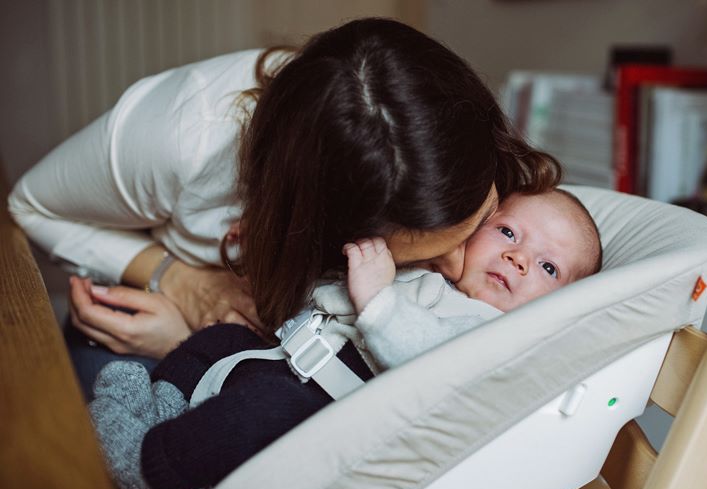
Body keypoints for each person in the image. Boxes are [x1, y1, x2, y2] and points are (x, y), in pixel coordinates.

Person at [7, 18, 560, 403]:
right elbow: (30, 207)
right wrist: (175, 279)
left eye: (486, 222)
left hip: (231, 352)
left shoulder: (484, 178)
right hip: (158, 319)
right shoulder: (181, 138)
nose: (460, 270)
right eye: (430, 257)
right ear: (327, 236)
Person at [89, 188, 602, 489]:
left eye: (548, 266)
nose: (518, 259)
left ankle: (147, 464)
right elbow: (328, 297)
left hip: (324, 413)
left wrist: (378, 298)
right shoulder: (430, 272)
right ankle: (162, 406)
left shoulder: (495, 335)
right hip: (281, 357)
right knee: (219, 340)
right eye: (509, 232)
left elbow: (431, 364)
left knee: (264, 406)